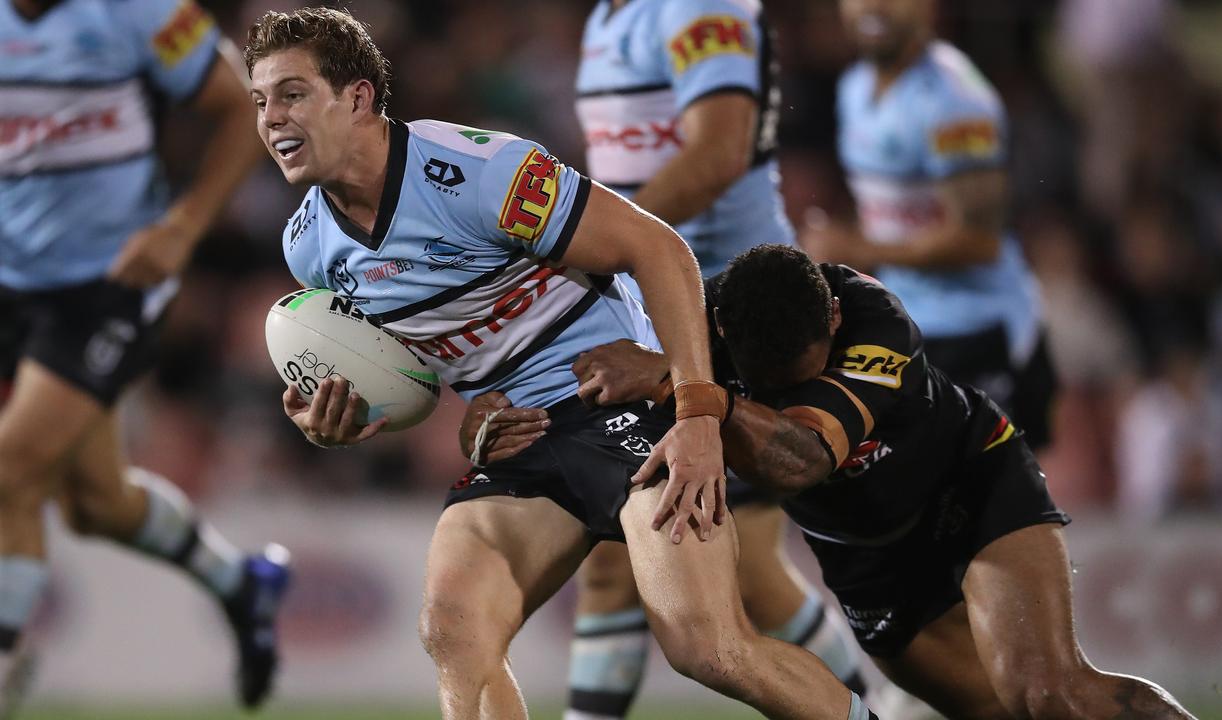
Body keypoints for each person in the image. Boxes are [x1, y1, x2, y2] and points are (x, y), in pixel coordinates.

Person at [245, 8, 874, 720]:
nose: (271, 118)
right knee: (453, 628)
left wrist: (697, 412)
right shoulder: (308, 247)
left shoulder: (476, 175)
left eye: (291, 93)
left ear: (356, 97)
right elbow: (412, 367)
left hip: (623, 406)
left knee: (708, 647)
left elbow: (659, 249)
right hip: (523, 440)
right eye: (261, 101)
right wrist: (350, 416)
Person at [498, 243, 1197, 719]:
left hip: (970, 486)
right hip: (863, 557)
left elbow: (803, 459)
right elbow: (575, 379)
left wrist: (684, 388)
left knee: (1050, 695)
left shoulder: (872, 318)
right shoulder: (700, 330)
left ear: (831, 319)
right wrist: (493, 411)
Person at [563, 1, 867, 716]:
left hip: (725, 314)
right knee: (617, 561)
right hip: (656, 311)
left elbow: (719, 150)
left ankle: (870, 705)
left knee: (739, 569)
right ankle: (874, 704)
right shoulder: (611, 16)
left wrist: (598, 248)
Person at [0, 0, 290, 714]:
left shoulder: (141, 9)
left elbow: (241, 109)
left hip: (110, 284)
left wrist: (183, 228)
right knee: (97, 504)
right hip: (12, 284)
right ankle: (240, 583)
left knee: (12, 470)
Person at [804, 0, 1056, 450]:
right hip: (909, 327)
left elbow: (980, 240)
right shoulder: (855, 86)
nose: (874, 6)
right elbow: (888, 212)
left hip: (979, 331)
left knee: (993, 507)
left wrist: (861, 249)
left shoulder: (955, 102)